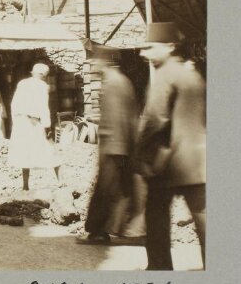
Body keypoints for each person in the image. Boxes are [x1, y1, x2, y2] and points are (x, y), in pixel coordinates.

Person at [135, 22, 206, 270]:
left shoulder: (165, 74)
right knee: (205, 222)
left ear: (170, 47)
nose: (145, 54)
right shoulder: (192, 74)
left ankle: (159, 271)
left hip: (170, 164)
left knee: (155, 217)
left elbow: (155, 119)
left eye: (151, 48)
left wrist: (140, 155)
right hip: (200, 162)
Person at [77, 46, 139, 245]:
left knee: (105, 190)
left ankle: (97, 232)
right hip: (118, 145)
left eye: (96, 61)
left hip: (114, 146)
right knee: (119, 190)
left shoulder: (114, 84)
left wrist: (118, 149)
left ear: (107, 62)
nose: (94, 64)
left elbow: (118, 118)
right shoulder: (120, 82)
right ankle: (126, 230)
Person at [8, 63, 61, 191]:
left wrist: (16, 121)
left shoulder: (22, 83)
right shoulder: (43, 86)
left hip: (21, 121)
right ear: (43, 75)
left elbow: (14, 104)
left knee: (25, 153)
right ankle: (60, 180)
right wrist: (47, 126)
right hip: (34, 122)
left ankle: (25, 185)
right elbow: (44, 107)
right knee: (49, 149)